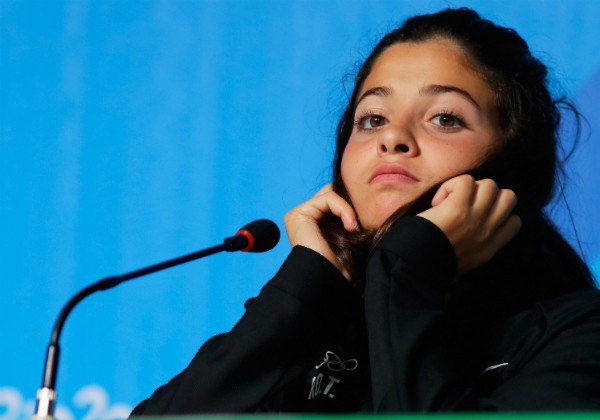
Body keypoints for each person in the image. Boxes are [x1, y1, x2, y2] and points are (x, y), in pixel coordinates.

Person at [131, 7, 600, 414]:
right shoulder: (316, 320)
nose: (391, 138)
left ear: (515, 159)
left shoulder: (579, 334)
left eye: (445, 118)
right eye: (372, 118)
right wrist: (306, 283)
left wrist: (407, 267)